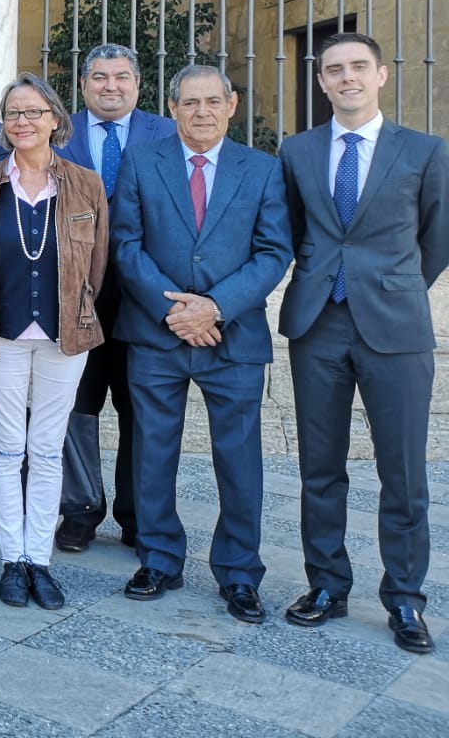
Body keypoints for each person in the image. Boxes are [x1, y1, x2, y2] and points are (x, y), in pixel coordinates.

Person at [278, 33, 449, 655]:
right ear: (320, 81)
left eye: (357, 67)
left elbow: (438, 238)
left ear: (380, 74)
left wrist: (393, 286)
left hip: (395, 328)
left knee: (402, 471)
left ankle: (404, 597)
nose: (345, 77)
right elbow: (293, 232)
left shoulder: (426, 151)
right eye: (333, 69)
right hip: (318, 323)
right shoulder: (297, 151)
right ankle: (326, 584)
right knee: (319, 467)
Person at [111, 65, 292, 623]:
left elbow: (272, 252)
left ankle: (239, 573)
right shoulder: (142, 162)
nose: (202, 112)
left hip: (231, 335)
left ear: (231, 105)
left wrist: (212, 306)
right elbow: (125, 244)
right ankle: (159, 558)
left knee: (238, 460)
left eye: (213, 101)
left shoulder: (262, 169)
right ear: (172, 108)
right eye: (190, 103)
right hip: (155, 334)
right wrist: (173, 311)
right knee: (152, 452)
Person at [0, 72, 106, 610]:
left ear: (55, 121)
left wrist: (78, 310)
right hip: (1, 334)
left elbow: (97, 264)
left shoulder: (85, 184)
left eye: (32, 112)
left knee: (46, 448)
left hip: (65, 336)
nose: (22, 122)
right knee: (6, 445)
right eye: (13, 113)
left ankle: (39, 561)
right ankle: (10, 560)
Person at [54, 43, 175, 553]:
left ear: (137, 84)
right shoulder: (59, 131)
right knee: (75, 406)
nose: (110, 86)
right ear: (83, 87)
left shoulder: (167, 134)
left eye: (121, 77)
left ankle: (135, 514)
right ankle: (80, 509)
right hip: (74, 293)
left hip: (144, 295)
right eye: (99, 77)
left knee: (139, 407)